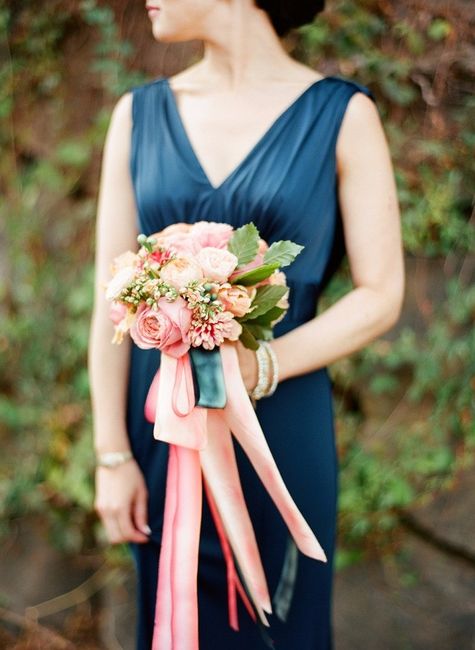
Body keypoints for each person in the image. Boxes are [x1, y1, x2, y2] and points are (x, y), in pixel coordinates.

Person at [88, 0, 404, 648]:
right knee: (177, 617)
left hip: (281, 421)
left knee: (282, 624)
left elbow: (380, 293)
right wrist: (110, 454)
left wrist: (262, 365)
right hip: (162, 427)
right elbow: (108, 298)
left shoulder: (342, 116)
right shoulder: (136, 116)